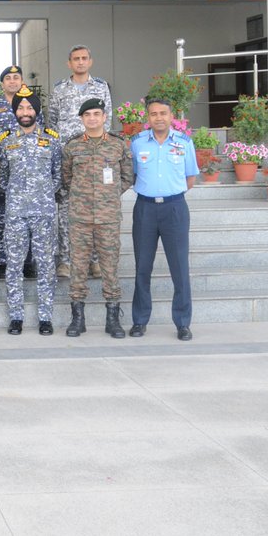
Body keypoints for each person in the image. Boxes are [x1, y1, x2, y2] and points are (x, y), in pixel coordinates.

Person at [61, 98, 134, 339]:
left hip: (108, 217)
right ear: (81, 119)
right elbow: (67, 178)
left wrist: (108, 196)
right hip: (80, 217)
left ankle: (112, 318)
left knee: (110, 267)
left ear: (104, 117)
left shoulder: (117, 145)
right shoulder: (72, 147)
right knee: (79, 268)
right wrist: (84, 197)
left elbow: (127, 177)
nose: (92, 118)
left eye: (96, 114)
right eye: (87, 115)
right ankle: (77, 318)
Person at [129, 97, 199, 341]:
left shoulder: (184, 142)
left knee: (179, 268)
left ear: (172, 117)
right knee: (142, 268)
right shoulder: (137, 143)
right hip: (145, 209)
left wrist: (169, 194)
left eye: (163, 113)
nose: (158, 117)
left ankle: (182, 323)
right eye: (153, 113)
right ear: (147, 117)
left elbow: (190, 178)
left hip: (174, 208)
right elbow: (133, 174)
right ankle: (139, 321)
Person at [0, 87, 63, 336]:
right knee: (14, 265)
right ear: (15, 112)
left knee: (46, 265)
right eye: (21, 108)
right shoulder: (5, 140)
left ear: (37, 110)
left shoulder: (52, 139)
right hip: (15, 213)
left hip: (44, 213)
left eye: (30, 107)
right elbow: (2, 177)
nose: (25, 112)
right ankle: (16, 317)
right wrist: (17, 196)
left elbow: (58, 175)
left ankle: (45, 317)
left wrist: (43, 195)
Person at [46, 46, 114, 279]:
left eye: (84, 58)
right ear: (69, 63)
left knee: (93, 208)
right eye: (76, 59)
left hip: (93, 156)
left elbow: (109, 119)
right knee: (65, 210)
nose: (81, 62)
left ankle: (94, 261)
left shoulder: (101, 87)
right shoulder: (59, 89)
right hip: (68, 157)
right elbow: (52, 121)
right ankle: (65, 260)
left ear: (91, 61)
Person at [0, 64, 29, 279]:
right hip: (1, 168)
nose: (12, 81)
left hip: (26, 170)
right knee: (1, 216)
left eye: (16, 77)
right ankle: (1, 261)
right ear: (2, 84)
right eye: (8, 78)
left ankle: (27, 260)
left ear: (21, 81)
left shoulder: (30, 105)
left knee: (27, 216)